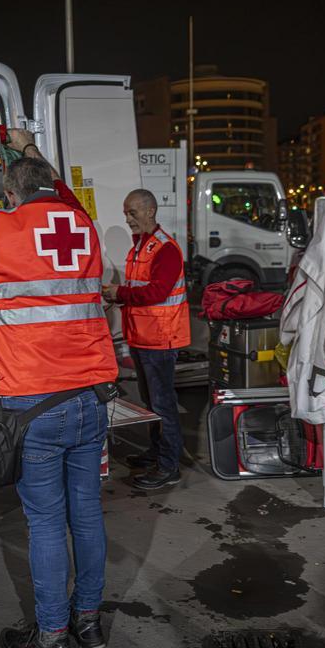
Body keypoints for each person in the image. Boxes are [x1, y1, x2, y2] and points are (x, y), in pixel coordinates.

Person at [0, 126, 118, 648]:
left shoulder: (0, 231)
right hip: (91, 399)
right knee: (86, 515)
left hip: (34, 406)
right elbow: (57, 188)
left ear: (11, 196)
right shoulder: (82, 226)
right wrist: (27, 146)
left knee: (44, 523)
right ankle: (88, 623)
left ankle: (54, 639)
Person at [102, 188, 190, 490]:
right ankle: (158, 452)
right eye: (126, 213)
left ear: (150, 211)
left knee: (163, 405)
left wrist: (120, 294)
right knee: (153, 404)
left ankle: (169, 466)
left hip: (160, 340)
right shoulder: (141, 247)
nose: (128, 219)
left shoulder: (165, 249)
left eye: (132, 212)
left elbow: (156, 293)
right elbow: (140, 289)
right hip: (143, 338)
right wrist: (118, 298)